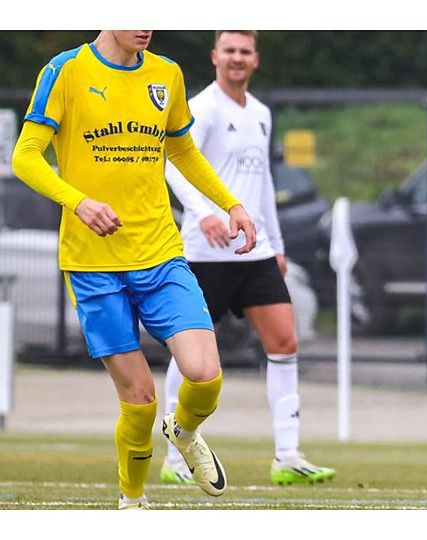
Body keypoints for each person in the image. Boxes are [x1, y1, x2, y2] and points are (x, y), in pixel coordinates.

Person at [11, 30, 257, 509]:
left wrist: (231, 204)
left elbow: (182, 150)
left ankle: (183, 431)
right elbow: (24, 156)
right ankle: (133, 500)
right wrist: (77, 202)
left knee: (205, 375)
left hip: (160, 253)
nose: (146, 25)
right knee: (139, 399)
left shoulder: (166, 74)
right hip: (92, 263)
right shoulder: (65, 70)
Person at [161, 30, 335, 486]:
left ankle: (288, 455)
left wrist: (276, 245)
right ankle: (176, 457)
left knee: (285, 342)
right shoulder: (201, 108)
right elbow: (172, 164)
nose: (237, 58)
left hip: (254, 253)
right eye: (230, 50)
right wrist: (201, 215)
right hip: (207, 254)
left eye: (245, 51)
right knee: (190, 356)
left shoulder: (261, 113)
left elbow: (262, 191)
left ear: (255, 59)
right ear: (215, 56)